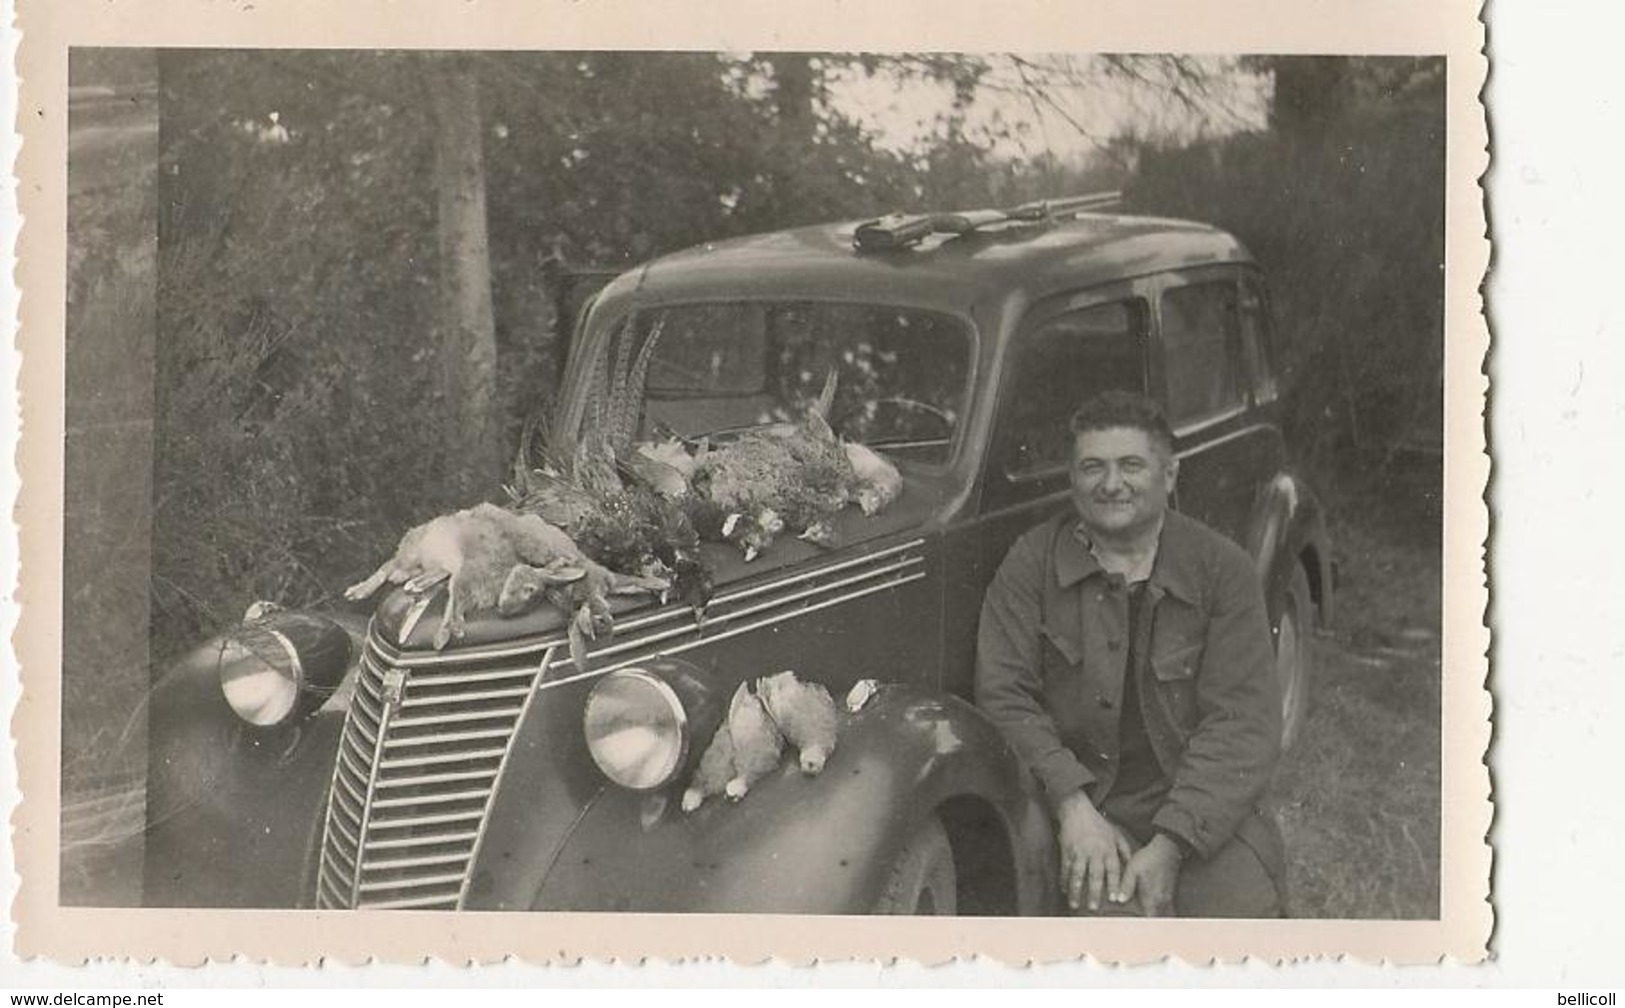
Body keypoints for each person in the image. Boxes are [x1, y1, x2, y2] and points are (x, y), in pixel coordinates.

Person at [975, 391, 1286, 917]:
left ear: (1169, 475)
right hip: (1083, 806)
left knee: (1246, 931)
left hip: (1196, 805)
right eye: (1092, 467)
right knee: (1110, 943)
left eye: (1132, 466)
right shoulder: (1031, 562)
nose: (1112, 483)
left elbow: (1242, 724)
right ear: (1072, 478)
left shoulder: (1221, 570)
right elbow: (1004, 696)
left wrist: (1172, 844)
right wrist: (1073, 808)